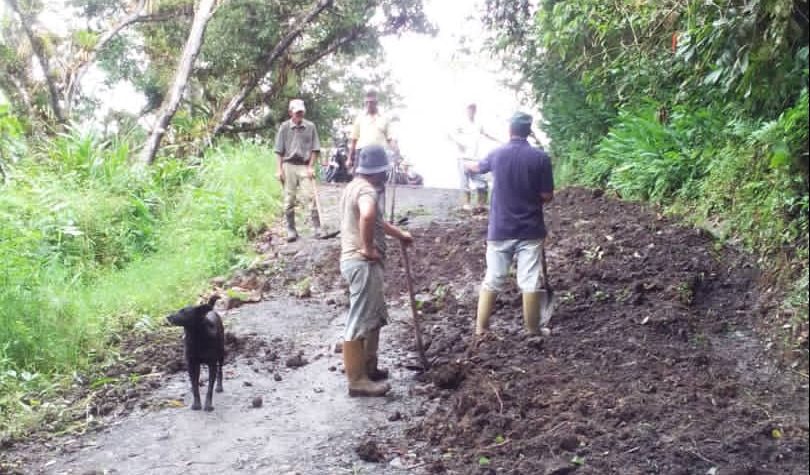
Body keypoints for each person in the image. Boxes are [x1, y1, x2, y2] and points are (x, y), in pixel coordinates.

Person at [465, 112, 554, 336]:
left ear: (510, 130)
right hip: (530, 228)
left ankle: (481, 328)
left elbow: (478, 168)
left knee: (493, 278)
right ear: (529, 131)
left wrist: (467, 166)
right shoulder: (540, 158)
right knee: (529, 279)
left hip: (500, 229)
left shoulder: (497, 154)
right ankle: (533, 330)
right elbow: (547, 195)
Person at [339, 145, 413, 397]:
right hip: (362, 263)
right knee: (359, 319)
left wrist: (399, 234)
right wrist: (368, 248)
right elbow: (368, 215)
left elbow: (376, 219)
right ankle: (357, 380)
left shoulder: (353, 186)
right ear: (379, 171)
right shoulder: (367, 190)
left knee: (373, 315)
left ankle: (369, 367)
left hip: (357, 263)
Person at [275, 99, 322, 242]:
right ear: (290, 112)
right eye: (297, 112)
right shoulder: (284, 127)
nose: (300, 114)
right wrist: (279, 170)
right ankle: (291, 229)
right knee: (289, 199)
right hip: (288, 165)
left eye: (301, 112)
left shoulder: (310, 126)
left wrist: (311, 166)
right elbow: (278, 151)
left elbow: (315, 149)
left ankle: (318, 227)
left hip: (304, 165)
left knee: (311, 196)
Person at [451, 102, 499, 211]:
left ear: (475, 111)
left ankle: (481, 205)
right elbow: (450, 135)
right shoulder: (460, 124)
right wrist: (459, 143)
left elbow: (487, 134)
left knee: (482, 182)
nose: (471, 111)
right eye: (469, 109)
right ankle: (466, 204)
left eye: (473, 109)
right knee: (465, 182)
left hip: (475, 158)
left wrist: (499, 140)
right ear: (466, 110)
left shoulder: (478, 125)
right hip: (463, 157)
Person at [347, 90, 396, 171]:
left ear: (376, 103)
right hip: (362, 153)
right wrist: (349, 158)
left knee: (379, 180)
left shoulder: (384, 118)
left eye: (372, 102)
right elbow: (354, 140)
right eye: (367, 102)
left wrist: (395, 152)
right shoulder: (360, 118)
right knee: (359, 179)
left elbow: (390, 139)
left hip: (379, 154)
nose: (369, 104)